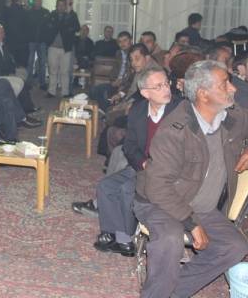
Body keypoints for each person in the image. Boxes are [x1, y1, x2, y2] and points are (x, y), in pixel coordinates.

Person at [134, 60, 248, 298]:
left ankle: (173, 292)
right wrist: (191, 224)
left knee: (234, 247)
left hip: (201, 205)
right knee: (170, 240)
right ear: (203, 94)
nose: (233, 88)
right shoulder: (175, 131)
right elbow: (158, 187)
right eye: (225, 84)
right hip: (160, 202)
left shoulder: (229, 117)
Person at [73, 68, 181, 256]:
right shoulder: (139, 110)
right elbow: (130, 146)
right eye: (159, 86)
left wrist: (155, 167)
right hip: (143, 166)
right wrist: (143, 163)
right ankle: (113, 233)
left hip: (168, 171)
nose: (166, 89)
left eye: (166, 84)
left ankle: (125, 239)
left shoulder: (179, 109)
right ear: (145, 93)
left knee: (127, 189)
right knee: (106, 186)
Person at [45, 0, 77, 98]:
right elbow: (46, 27)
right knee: (52, 71)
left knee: (65, 71)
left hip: (66, 49)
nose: (61, 7)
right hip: (52, 48)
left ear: (65, 6)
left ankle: (65, 92)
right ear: (56, 6)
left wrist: (70, 14)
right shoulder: (51, 15)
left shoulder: (71, 15)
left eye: (63, 5)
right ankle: (51, 91)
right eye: (59, 5)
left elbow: (77, 27)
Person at [25, 0, 50, 89]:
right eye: (36, 0)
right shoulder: (28, 12)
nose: (38, 2)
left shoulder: (46, 12)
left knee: (42, 63)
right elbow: (26, 26)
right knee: (30, 62)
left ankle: (42, 83)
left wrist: (46, 39)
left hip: (42, 41)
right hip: (31, 41)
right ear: (33, 1)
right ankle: (29, 83)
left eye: (39, 0)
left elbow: (48, 27)